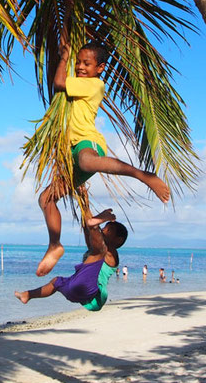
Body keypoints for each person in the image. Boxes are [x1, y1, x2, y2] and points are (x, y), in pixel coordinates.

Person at [36, 38, 170, 276]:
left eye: (87, 63)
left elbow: (58, 82)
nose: (80, 67)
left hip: (88, 144)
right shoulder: (81, 81)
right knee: (46, 198)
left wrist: (65, 56)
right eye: (78, 62)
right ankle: (55, 245)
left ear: (100, 68)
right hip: (72, 154)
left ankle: (142, 175)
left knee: (87, 161)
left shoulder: (94, 85)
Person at [15, 209, 127, 311]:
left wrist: (95, 222)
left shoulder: (112, 255)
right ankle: (28, 295)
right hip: (76, 291)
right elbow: (89, 230)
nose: (103, 230)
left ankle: (93, 224)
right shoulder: (96, 248)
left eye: (109, 230)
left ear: (118, 240)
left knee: (99, 249)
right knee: (56, 282)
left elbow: (97, 238)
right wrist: (83, 200)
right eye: (103, 227)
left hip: (93, 292)